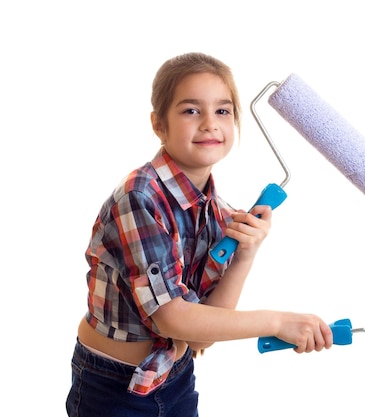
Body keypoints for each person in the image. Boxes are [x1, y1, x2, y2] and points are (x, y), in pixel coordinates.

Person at [66, 52, 333, 417]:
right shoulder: (139, 198)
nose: (210, 123)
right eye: (192, 110)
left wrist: (244, 254)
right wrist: (278, 322)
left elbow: (201, 334)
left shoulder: (215, 210)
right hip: (113, 386)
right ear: (159, 125)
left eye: (222, 111)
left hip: (173, 376)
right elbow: (172, 318)